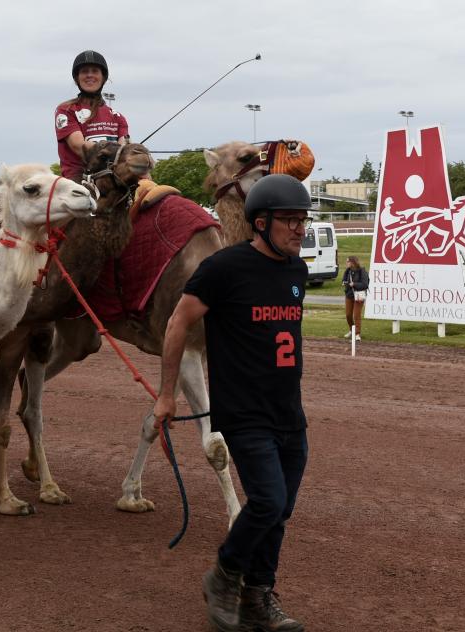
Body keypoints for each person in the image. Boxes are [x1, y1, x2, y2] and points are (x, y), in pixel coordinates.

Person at [154, 173, 311, 632]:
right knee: (267, 501)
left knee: (279, 512)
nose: (299, 228)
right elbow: (177, 323)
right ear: (261, 223)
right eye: (289, 220)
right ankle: (223, 576)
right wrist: (166, 394)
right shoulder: (225, 268)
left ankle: (258, 596)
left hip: (289, 414)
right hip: (245, 414)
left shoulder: (297, 271)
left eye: (302, 219)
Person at [54, 50, 129, 181]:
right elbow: (78, 146)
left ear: (103, 77)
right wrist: (116, 151)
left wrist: (133, 153)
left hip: (113, 180)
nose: (90, 75)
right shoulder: (66, 110)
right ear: (77, 78)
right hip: (78, 180)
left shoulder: (118, 117)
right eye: (84, 71)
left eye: (94, 71)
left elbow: (125, 149)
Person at [341, 255, 369, 341]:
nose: (346, 263)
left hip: (359, 296)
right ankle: (351, 330)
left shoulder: (362, 271)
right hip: (349, 295)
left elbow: (365, 284)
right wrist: (344, 283)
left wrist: (354, 284)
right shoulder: (347, 271)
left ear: (352, 262)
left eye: (348, 261)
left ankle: (357, 334)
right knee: (348, 315)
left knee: (356, 315)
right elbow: (344, 280)